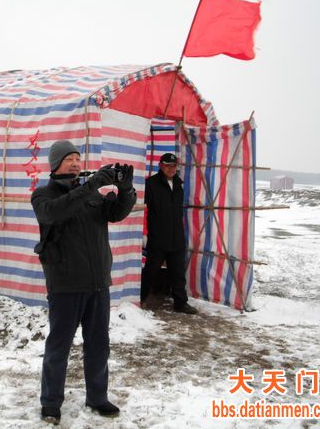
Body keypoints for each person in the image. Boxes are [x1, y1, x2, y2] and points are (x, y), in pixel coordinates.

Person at [31, 140, 136, 425]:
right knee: (59, 347)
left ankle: (97, 397)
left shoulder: (90, 195)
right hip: (66, 284)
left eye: (78, 158)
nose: (76, 163)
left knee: (99, 345)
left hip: (98, 283)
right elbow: (55, 213)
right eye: (69, 159)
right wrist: (91, 186)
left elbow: (116, 213)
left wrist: (126, 190)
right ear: (56, 164)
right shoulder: (43, 195)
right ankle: (51, 402)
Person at [140, 152, 198, 314]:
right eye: (167, 165)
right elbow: (144, 210)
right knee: (150, 271)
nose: (171, 169)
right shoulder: (150, 184)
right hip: (157, 237)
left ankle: (181, 303)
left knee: (178, 272)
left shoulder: (179, 184)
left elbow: (178, 212)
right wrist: (145, 233)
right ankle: (139, 300)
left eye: (174, 166)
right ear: (160, 166)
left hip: (176, 236)